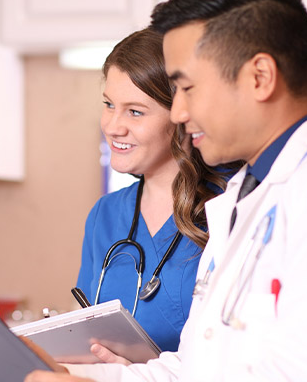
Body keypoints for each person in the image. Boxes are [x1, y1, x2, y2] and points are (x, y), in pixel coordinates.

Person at [26, 0, 307, 381]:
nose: (177, 112)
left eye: (187, 88)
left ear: (260, 77)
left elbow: (304, 375)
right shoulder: (242, 196)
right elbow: (199, 366)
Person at [76, 28, 233, 353]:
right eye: (109, 104)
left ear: (180, 115)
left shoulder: (230, 202)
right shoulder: (104, 215)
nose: (112, 126)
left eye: (135, 111)